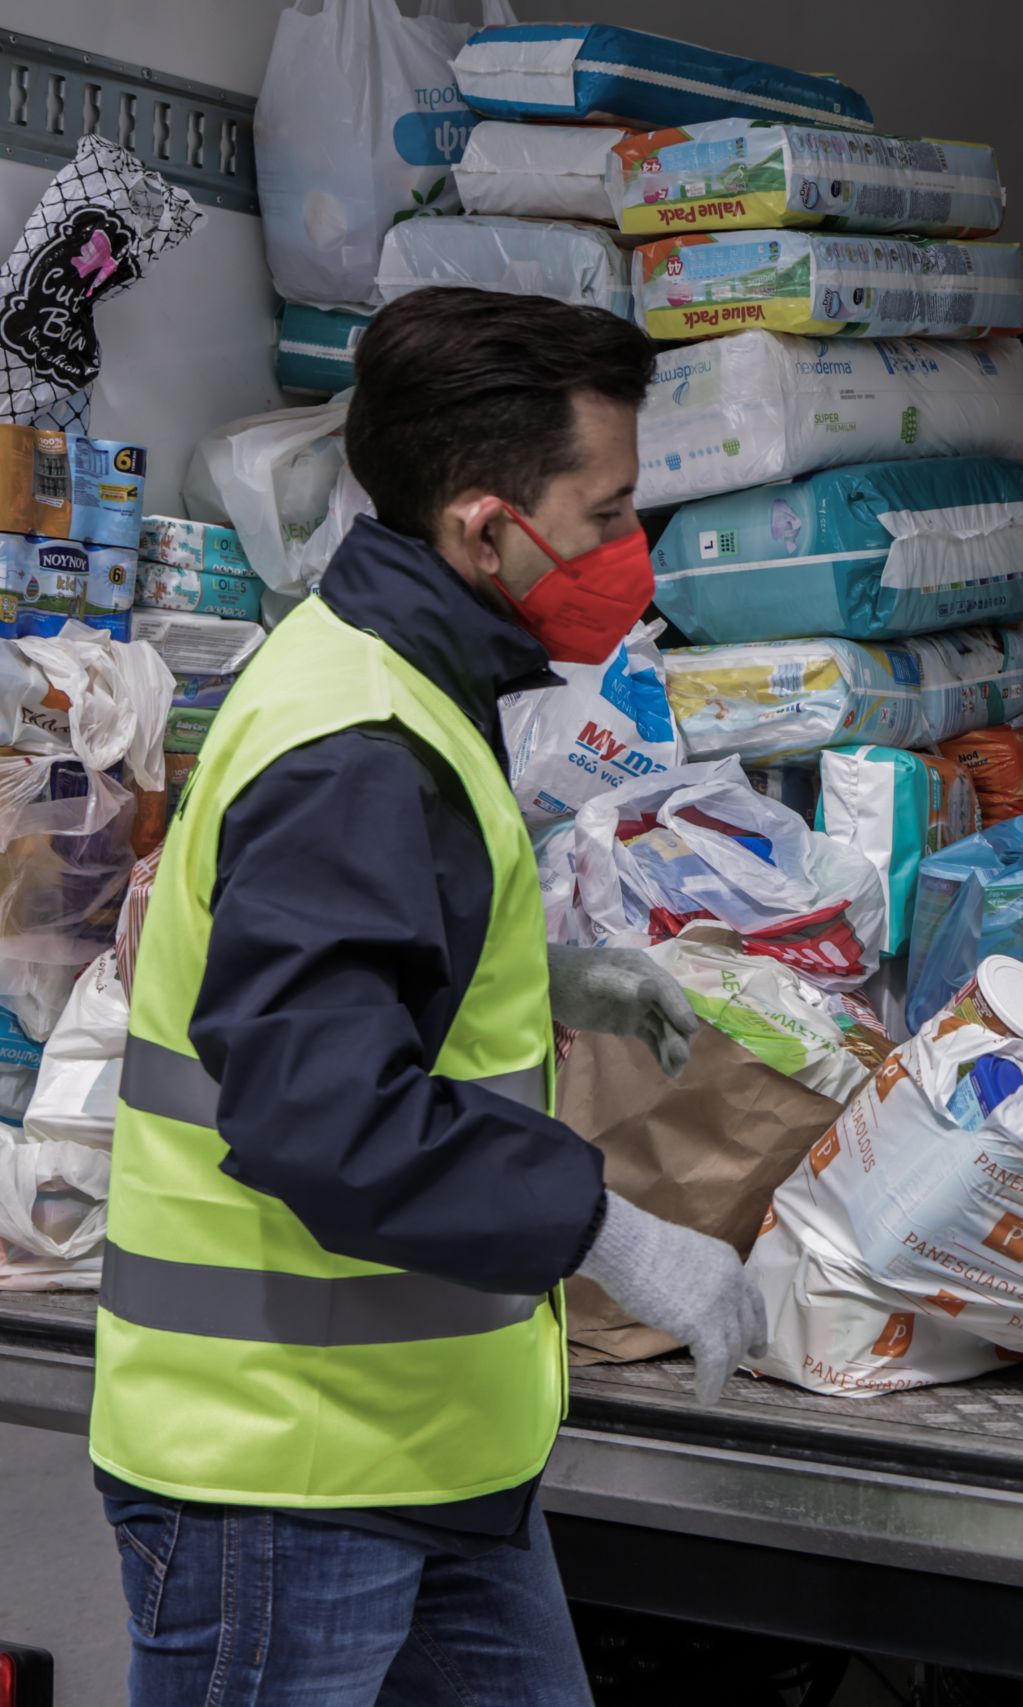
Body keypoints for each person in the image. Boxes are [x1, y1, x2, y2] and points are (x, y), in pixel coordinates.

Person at [89, 287, 769, 1703]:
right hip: (281, 1474)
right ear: (484, 525)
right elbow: (326, 1114)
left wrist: (529, 970)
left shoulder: (397, 678)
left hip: (423, 1454)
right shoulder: (358, 740)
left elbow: (360, 977)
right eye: (606, 514)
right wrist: (611, 1231)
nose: (628, 555)